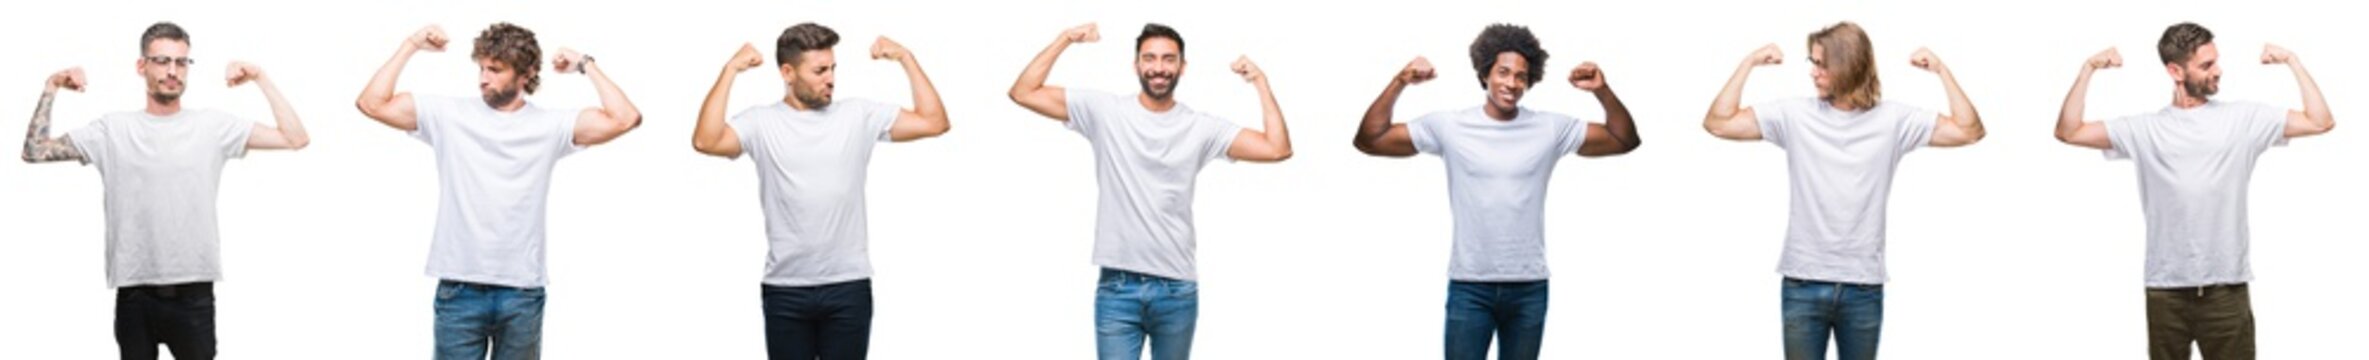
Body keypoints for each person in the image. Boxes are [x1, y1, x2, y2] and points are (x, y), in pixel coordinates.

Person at [18, 21, 310, 360]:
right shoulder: (113, 130)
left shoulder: (212, 126)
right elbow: (35, 151)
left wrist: (260, 77)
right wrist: (51, 86)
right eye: (162, 61)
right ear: (142, 66)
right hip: (134, 294)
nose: (173, 71)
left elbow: (295, 138)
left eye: (181, 62)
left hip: (194, 294)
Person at [1348, 23, 1640, 360]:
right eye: (1503, 72)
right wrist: (1400, 82)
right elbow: (1369, 140)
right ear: (1485, 72)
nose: (1511, 84)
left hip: (1529, 286)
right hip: (1470, 285)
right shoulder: (1450, 126)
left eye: (1521, 76)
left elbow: (1623, 139)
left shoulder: (1550, 128)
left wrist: (1601, 91)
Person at [353, 22, 643, 360]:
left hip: (522, 291)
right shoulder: (447, 115)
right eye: (481, 67)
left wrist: (585, 64)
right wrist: (411, 44)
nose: (483, 78)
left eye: (495, 69)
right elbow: (371, 103)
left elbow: (626, 118)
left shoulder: (551, 126)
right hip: (459, 289)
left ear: (526, 74)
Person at [1005, 22, 1293, 360]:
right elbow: (1023, 91)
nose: (1159, 68)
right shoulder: (1105, 112)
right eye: (1150, 58)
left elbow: (1277, 148)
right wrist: (1066, 39)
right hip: (1117, 289)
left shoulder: (1199, 128)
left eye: (1169, 59)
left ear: (1182, 67)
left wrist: (1260, 82)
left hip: (1177, 291)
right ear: (1137, 65)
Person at [1700, 21, 1986, 360]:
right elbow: (1718, 122)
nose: (1813, 72)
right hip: (1802, 283)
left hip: (1863, 288)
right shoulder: (1794, 115)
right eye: (1813, 62)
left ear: (1849, 65)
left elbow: (1969, 131)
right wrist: (1748, 63)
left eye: (1822, 64)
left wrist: (1941, 70)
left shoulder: (1893, 120)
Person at [2052, 22, 2334, 360]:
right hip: (2165, 291)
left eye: (2216, 61)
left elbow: (2320, 121)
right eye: (2206, 65)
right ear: (2175, 71)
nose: (2218, 71)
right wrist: (2088, 70)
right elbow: (2069, 131)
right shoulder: (2146, 129)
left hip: (2226, 290)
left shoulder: (2243, 119)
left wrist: (2293, 61)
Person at [690, 22, 950, 360]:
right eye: (819, 70)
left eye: (832, 68)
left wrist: (906, 58)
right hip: (785, 291)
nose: (830, 78)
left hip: (848, 286)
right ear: (788, 72)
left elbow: (934, 122)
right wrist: (730, 71)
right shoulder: (761, 122)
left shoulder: (858, 115)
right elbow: (705, 141)